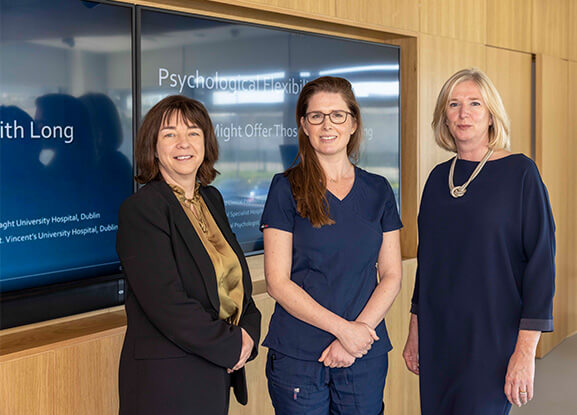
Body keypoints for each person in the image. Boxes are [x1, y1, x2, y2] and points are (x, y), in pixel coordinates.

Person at [403, 68, 555, 414]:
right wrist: (416, 330)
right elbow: (428, 265)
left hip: (492, 338)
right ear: (444, 116)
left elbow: (541, 265)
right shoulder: (438, 178)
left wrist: (524, 352)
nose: (463, 112)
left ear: (491, 115)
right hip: (439, 335)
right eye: (453, 104)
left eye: (474, 103)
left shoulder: (521, 173)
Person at [260, 76, 403, 414]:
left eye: (338, 115)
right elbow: (277, 283)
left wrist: (357, 336)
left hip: (364, 353)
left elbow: (391, 275)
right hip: (300, 354)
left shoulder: (379, 189)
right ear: (303, 125)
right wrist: (343, 332)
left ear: (353, 123)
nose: (327, 125)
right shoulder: (285, 188)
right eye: (316, 116)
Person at [116, 95, 261, 415]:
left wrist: (249, 335)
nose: (183, 143)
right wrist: (232, 346)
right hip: (167, 379)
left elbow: (235, 282)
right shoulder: (142, 210)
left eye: (193, 133)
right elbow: (167, 303)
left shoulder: (211, 199)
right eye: (169, 134)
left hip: (214, 369)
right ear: (152, 147)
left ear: (206, 143)